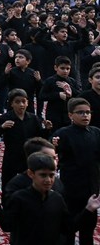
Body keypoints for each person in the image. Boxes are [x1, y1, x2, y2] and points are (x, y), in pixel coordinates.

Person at [0, 152, 100, 245]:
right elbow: (7, 226)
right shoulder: (19, 198)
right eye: (43, 175)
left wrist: (88, 209)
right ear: (31, 174)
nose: (48, 180)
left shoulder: (57, 198)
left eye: (51, 175)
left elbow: (69, 228)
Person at [51, 97, 100, 245]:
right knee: (69, 230)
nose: (85, 115)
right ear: (70, 115)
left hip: (91, 189)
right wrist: (54, 146)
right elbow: (50, 153)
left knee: (88, 230)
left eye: (87, 112)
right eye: (80, 113)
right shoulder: (63, 134)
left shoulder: (96, 132)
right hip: (71, 189)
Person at [0, 88, 51, 191]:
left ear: (27, 103)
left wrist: (47, 129)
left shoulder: (33, 118)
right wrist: (2, 127)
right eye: (17, 102)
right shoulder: (6, 118)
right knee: (8, 183)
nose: (21, 105)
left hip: (29, 157)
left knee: (29, 183)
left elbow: (40, 138)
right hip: (11, 156)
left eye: (23, 101)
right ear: (11, 104)